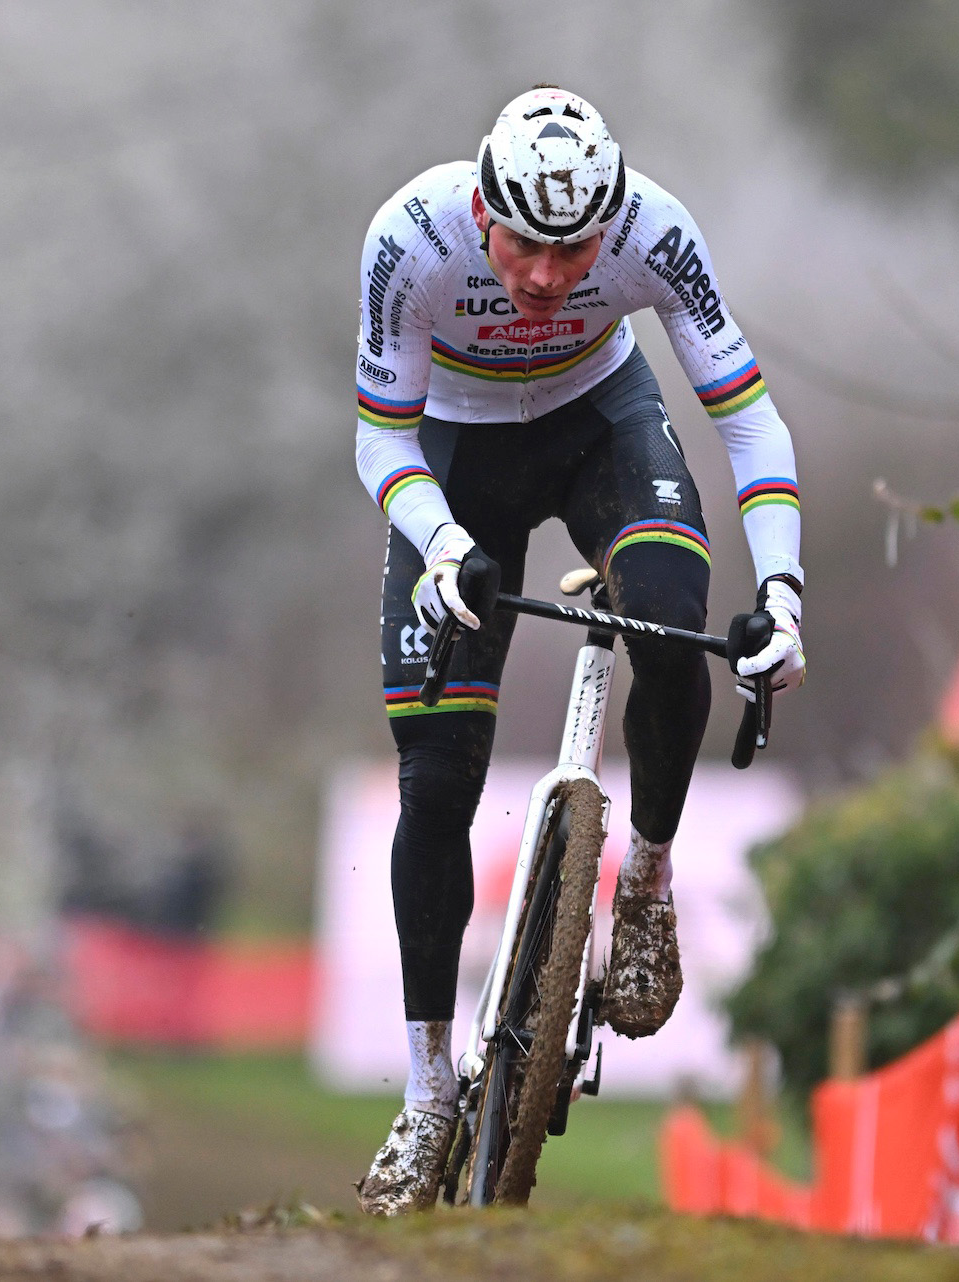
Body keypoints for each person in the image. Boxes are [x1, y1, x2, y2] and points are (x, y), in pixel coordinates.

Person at [353, 86, 806, 1214]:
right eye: (525, 247)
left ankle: (644, 883)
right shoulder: (409, 240)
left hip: (600, 420)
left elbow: (746, 414)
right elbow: (379, 433)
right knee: (438, 777)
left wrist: (787, 595)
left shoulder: (655, 229)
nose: (551, 277)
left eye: (577, 251)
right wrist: (446, 543)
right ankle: (426, 1095)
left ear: (613, 223)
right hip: (454, 459)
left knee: (669, 613)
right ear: (480, 208)